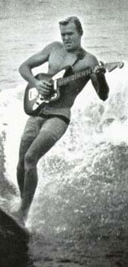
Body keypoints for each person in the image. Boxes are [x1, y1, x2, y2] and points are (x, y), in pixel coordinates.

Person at [15, 16, 109, 225]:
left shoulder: (89, 61)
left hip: (59, 116)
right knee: (21, 163)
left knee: (31, 158)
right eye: (63, 34)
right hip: (38, 110)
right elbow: (24, 67)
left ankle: (23, 214)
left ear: (80, 33)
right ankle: (23, 203)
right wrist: (36, 84)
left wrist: (100, 76)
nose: (66, 38)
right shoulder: (54, 49)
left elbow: (103, 95)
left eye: (70, 34)